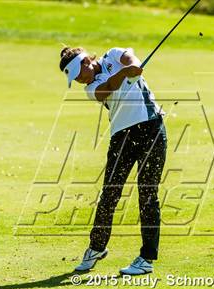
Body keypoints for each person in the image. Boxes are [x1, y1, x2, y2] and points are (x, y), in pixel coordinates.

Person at [59, 46, 167, 275]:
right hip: (122, 136)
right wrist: (126, 73)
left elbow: (130, 59)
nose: (79, 79)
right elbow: (108, 88)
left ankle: (146, 258)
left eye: (79, 72)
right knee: (109, 194)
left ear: (88, 60)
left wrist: (133, 66)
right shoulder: (91, 88)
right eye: (75, 78)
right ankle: (97, 248)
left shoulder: (114, 54)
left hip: (152, 128)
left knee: (148, 194)